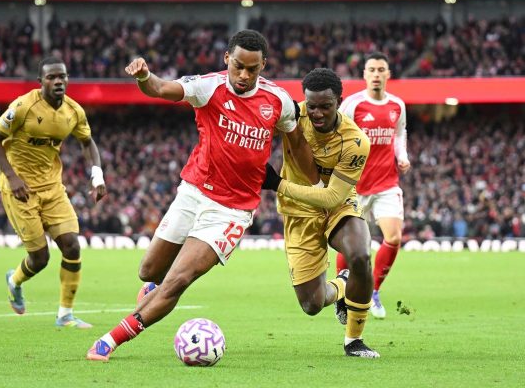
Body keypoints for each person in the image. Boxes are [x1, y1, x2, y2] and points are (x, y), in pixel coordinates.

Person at [86, 29, 318, 361]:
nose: (244, 75)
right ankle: (154, 290)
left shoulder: (278, 101)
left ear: (263, 65)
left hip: (232, 211)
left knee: (179, 279)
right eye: (238, 66)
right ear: (227, 59)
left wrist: (317, 182)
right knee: (149, 272)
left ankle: (110, 340)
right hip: (193, 192)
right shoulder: (209, 87)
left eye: (252, 69)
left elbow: (298, 148)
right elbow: (161, 89)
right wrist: (144, 76)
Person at [263, 68, 379, 358]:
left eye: (325, 106)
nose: (316, 113)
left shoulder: (355, 142)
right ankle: (342, 284)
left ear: (339, 101)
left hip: (337, 204)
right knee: (312, 304)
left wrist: (277, 184)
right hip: (299, 213)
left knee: (361, 256)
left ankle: (354, 340)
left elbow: (332, 197)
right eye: (311, 106)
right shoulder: (292, 116)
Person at [0, 56, 106, 327]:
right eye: (51, 77)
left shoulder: (74, 111)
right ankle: (14, 280)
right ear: (41, 82)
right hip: (20, 188)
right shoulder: (23, 106)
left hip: (52, 187)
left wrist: (97, 176)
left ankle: (65, 315)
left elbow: (88, 142)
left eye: (62, 76)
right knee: (40, 258)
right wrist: (12, 177)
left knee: (72, 245)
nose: (58, 81)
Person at [336, 52, 410, 319]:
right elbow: (337, 135)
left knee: (394, 237)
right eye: (372, 70)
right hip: (355, 186)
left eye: (381, 70)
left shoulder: (397, 105)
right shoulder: (353, 105)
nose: (376, 74)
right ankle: (342, 292)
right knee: (351, 246)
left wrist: (402, 156)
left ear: (388, 74)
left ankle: (373, 291)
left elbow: (399, 134)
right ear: (364, 74)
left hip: (386, 183)